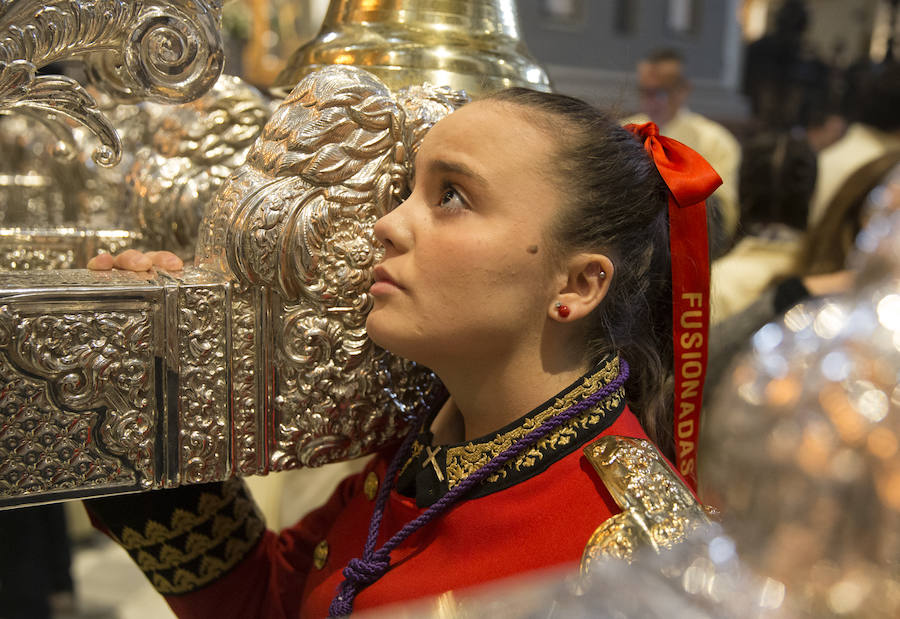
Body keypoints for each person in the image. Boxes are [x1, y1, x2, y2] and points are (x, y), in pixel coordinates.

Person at [84, 88, 720, 618]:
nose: (387, 224)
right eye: (410, 191)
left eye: (451, 197)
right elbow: (277, 604)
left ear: (576, 285)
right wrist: (151, 399)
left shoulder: (624, 559)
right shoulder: (433, 437)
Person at [624, 48, 741, 242]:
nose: (650, 101)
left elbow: (723, 212)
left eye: (659, 92)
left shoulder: (715, 141)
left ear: (682, 90)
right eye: (645, 92)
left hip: (688, 242)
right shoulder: (625, 131)